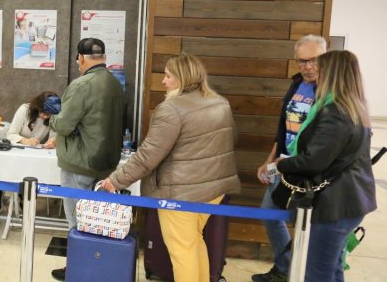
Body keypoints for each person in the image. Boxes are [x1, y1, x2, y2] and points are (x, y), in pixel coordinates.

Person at [100, 53, 240, 282]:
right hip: (214, 190)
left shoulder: (171, 109)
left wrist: (116, 180)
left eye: (168, 76)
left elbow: (148, 155)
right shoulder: (219, 102)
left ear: (182, 78)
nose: (163, 82)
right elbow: (230, 139)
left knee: (182, 251)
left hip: (182, 193)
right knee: (194, 242)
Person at [274, 50, 376, 282]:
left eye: (320, 69)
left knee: (317, 273)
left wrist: (282, 165)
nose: (314, 72)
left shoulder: (336, 112)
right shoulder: (354, 107)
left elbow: (313, 161)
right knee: (333, 270)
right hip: (350, 200)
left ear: (332, 74)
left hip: (336, 204)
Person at [47, 38, 125, 281]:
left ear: (80, 58)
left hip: (79, 163)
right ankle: (95, 267)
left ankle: (78, 269)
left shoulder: (81, 84)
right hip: (105, 163)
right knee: (98, 220)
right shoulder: (115, 83)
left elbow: (65, 124)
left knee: (77, 221)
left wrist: (52, 116)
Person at [252, 34, 327, 282]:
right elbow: (284, 129)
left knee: (308, 224)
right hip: (282, 163)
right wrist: (269, 160)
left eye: (313, 60)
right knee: (268, 212)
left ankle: (301, 272)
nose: (307, 67)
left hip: (311, 169)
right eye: (301, 61)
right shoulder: (297, 84)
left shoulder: (332, 91)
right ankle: (285, 268)